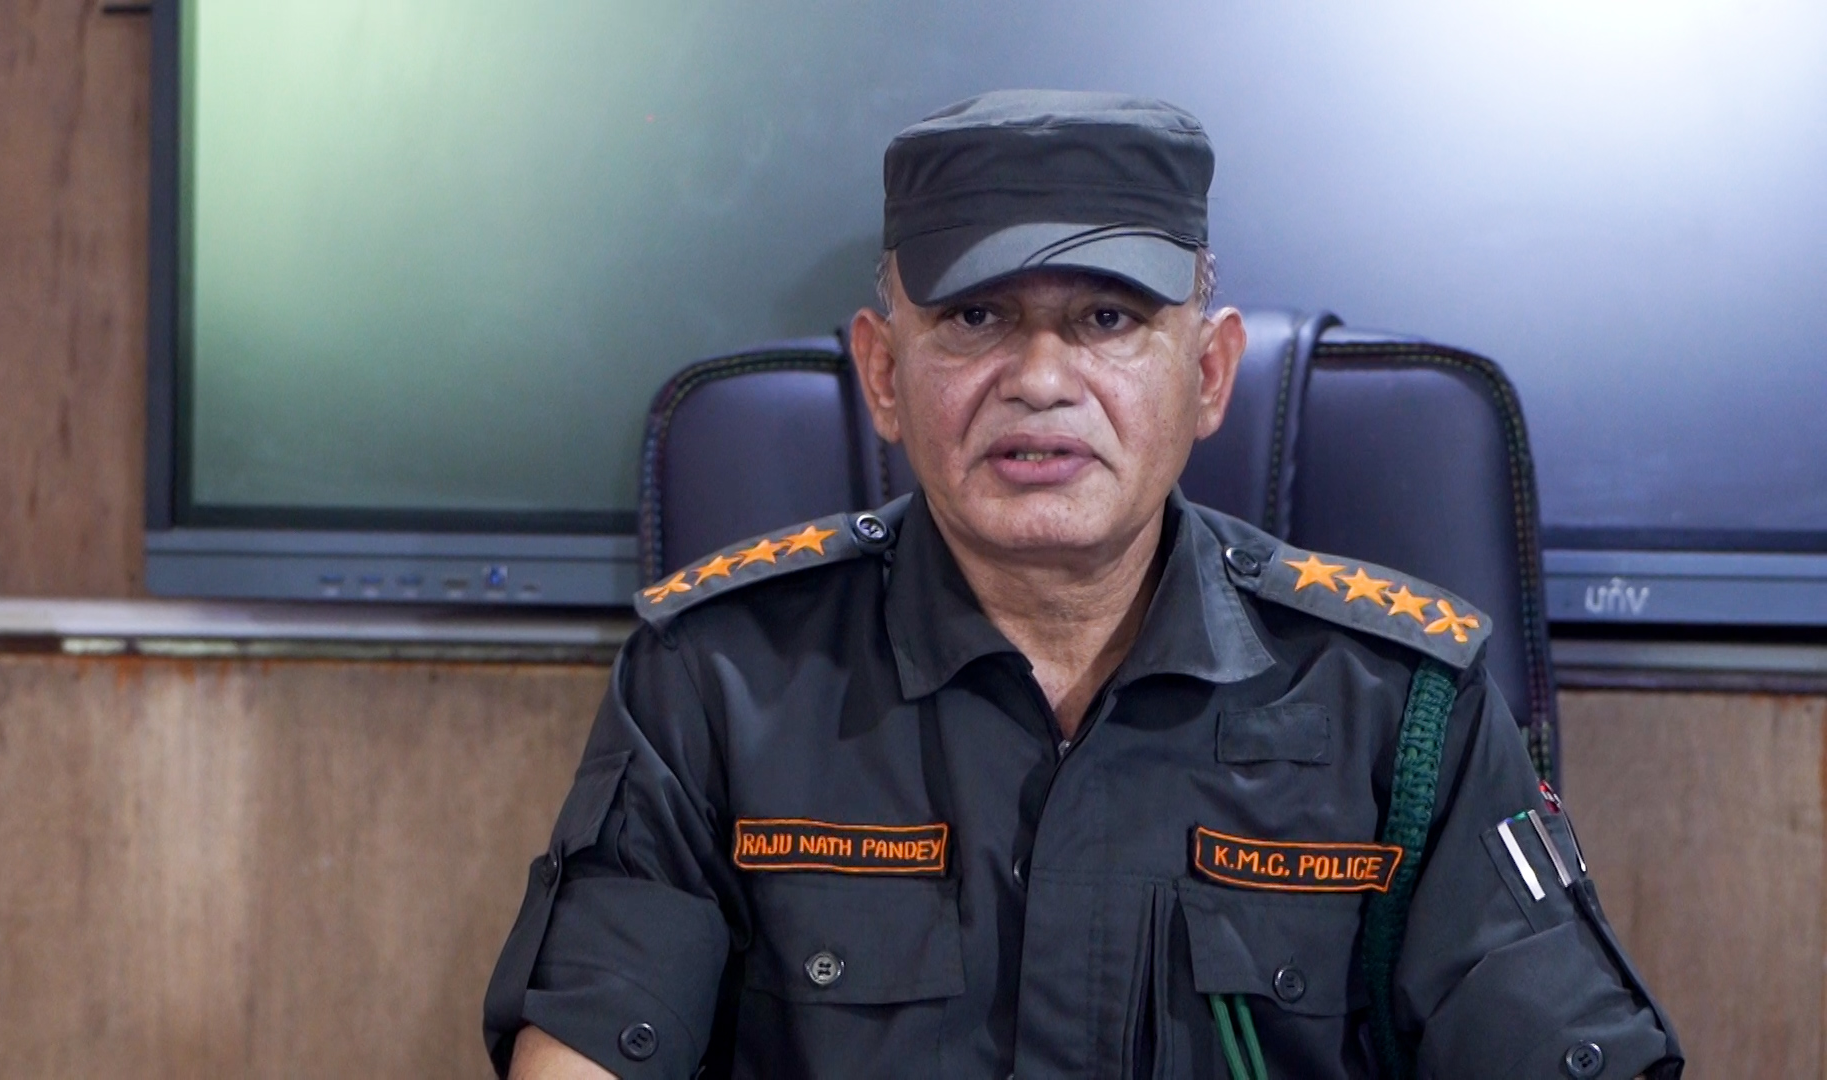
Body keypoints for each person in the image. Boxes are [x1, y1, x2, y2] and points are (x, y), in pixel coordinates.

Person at [483, 90, 1682, 1079]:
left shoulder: (1401, 703)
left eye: (1107, 318)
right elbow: (588, 1046)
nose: (1041, 379)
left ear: (1208, 375)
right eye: (976, 318)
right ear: (884, 374)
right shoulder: (715, 680)